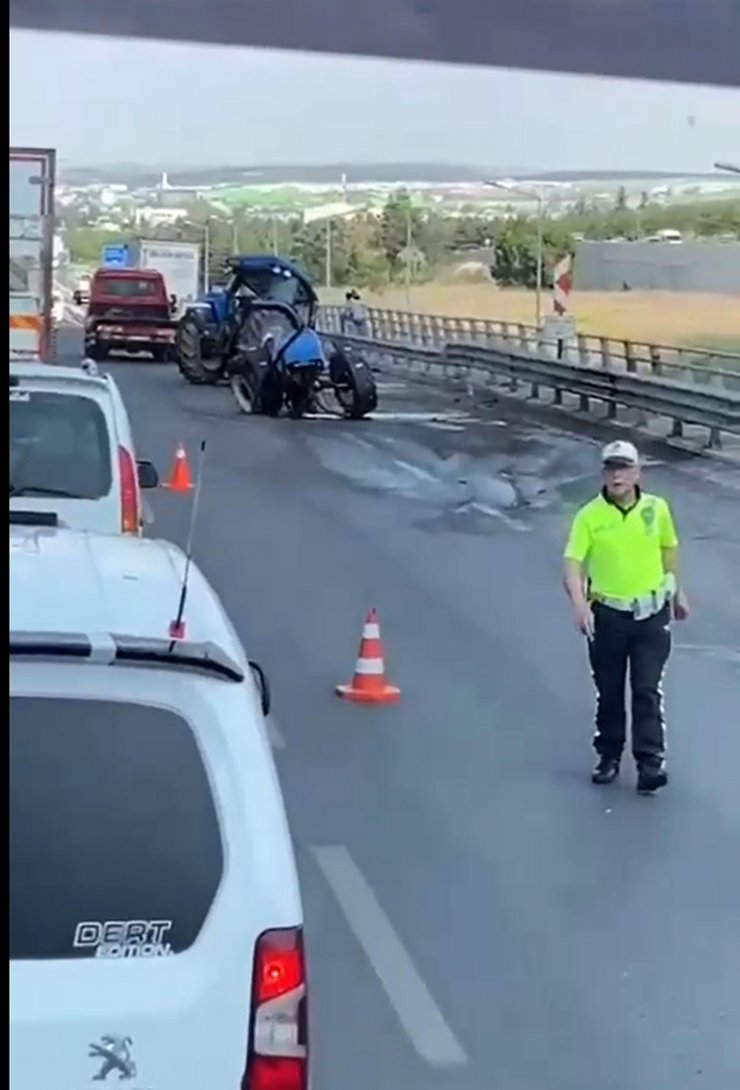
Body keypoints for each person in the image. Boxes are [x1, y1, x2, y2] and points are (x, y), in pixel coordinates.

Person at [562, 440, 690, 793]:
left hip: (651, 614)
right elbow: (572, 563)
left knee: (647, 689)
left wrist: (677, 590)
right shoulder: (589, 516)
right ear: (603, 474)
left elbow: (669, 548)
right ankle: (609, 756)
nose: (617, 475)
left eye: (624, 468)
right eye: (611, 468)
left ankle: (651, 762)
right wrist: (578, 603)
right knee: (610, 690)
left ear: (637, 473)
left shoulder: (656, 509)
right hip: (608, 616)